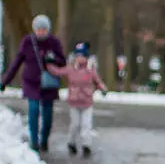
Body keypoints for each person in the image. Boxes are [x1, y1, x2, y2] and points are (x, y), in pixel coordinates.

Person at [1, 15, 67, 153]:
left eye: (44, 29)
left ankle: (44, 140)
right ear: (34, 29)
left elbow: (63, 62)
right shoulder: (27, 42)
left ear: (48, 30)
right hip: (31, 82)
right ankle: (34, 141)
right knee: (34, 109)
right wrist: (4, 81)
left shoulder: (54, 42)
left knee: (48, 115)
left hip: (49, 84)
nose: (41, 32)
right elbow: (17, 63)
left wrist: (53, 58)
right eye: (39, 29)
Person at [49, 42, 108, 156]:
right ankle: (71, 142)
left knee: (86, 125)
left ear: (86, 57)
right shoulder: (71, 69)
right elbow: (58, 72)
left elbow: (98, 81)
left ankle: (86, 145)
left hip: (87, 102)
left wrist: (103, 89)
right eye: (78, 56)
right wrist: (49, 64)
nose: (80, 58)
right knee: (75, 125)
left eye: (82, 56)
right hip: (74, 102)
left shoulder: (91, 70)